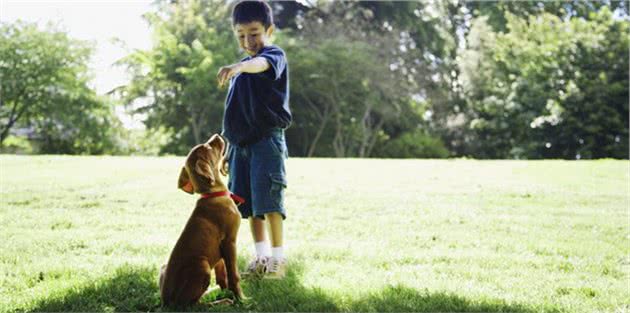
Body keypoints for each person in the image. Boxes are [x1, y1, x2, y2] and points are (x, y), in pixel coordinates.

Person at [217, 0, 291, 279]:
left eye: (254, 33)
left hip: (266, 141)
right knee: (246, 205)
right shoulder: (241, 70)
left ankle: (277, 259)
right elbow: (234, 113)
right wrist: (227, 148)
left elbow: (261, 64)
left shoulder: (273, 56)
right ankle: (260, 256)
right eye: (241, 35)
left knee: (269, 201)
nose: (248, 41)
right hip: (240, 145)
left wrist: (239, 67)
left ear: (269, 30)